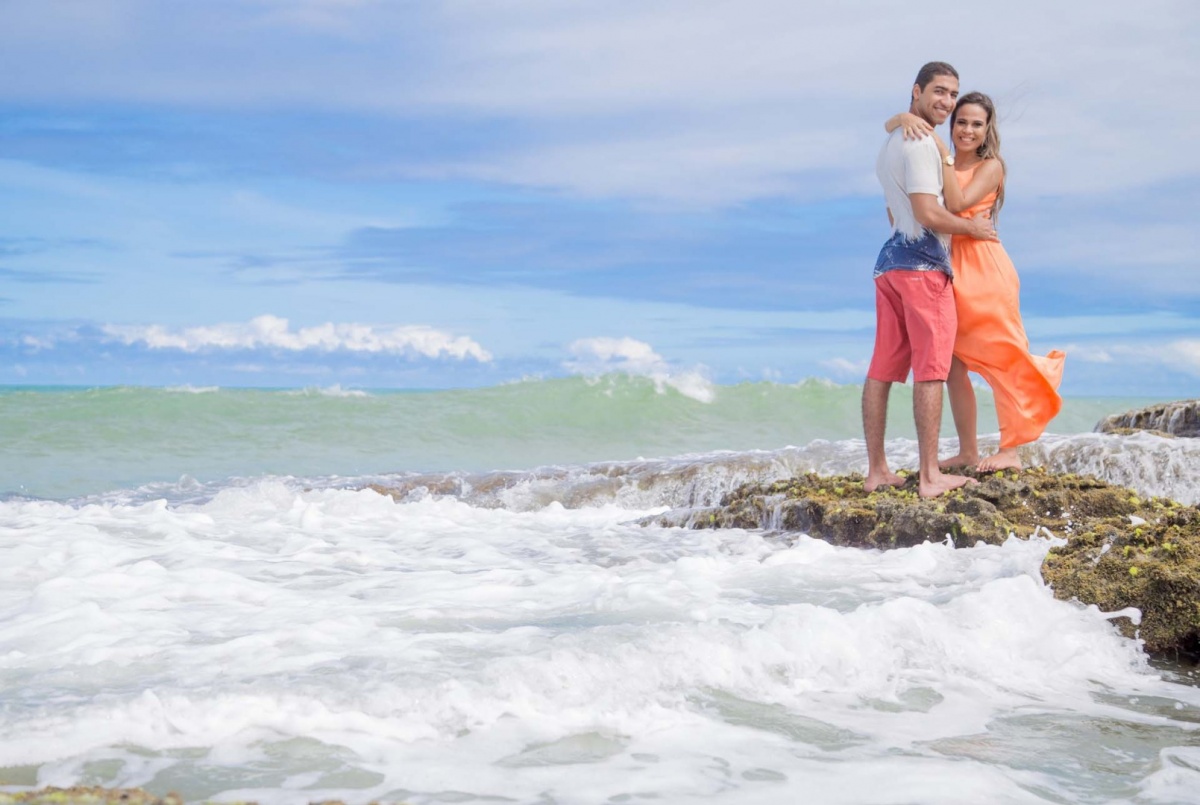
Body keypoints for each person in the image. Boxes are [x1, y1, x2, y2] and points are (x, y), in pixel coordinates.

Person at [886, 93, 1065, 471]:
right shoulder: (938, 159)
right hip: (948, 267)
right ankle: (968, 451)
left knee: (1005, 355)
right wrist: (903, 117)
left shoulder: (991, 166)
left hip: (985, 270)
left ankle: (1011, 450)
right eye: (961, 122)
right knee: (952, 364)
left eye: (976, 124)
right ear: (952, 125)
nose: (967, 130)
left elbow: (956, 202)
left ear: (987, 130)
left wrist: (942, 151)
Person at [865, 62, 999, 498]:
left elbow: (893, 211)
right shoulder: (922, 143)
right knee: (931, 369)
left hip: (888, 263)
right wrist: (972, 229)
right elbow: (926, 211)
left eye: (951, 94)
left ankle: (877, 471)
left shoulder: (892, 140)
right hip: (922, 265)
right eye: (938, 92)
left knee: (882, 369)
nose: (945, 101)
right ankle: (929, 476)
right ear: (917, 90)